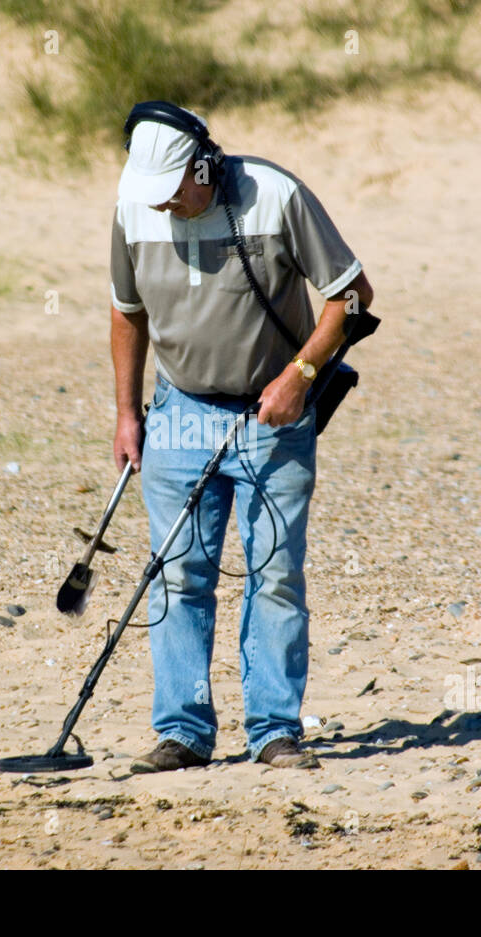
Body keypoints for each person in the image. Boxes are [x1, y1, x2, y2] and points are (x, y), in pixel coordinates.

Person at [109, 101, 373, 773]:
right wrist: (127, 414)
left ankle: (274, 730)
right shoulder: (135, 205)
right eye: (154, 198)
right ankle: (183, 733)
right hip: (177, 415)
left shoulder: (275, 195)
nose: (163, 207)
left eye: (175, 193)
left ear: (203, 166)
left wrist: (300, 375)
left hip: (270, 419)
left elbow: (352, 295)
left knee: (274, 573)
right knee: (176, 578)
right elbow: (126, 312)